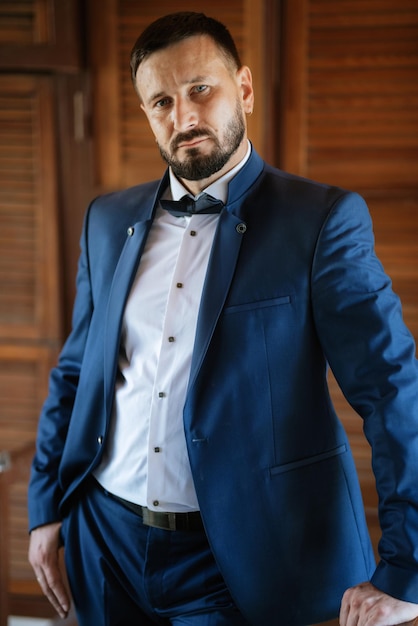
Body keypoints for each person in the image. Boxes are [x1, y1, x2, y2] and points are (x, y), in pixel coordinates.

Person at [27, 11, 418, 626]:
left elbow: (392, 390)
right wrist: (46, 507)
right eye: (161, 101)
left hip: (238, 561)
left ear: (245, 88)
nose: (183, 118)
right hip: (102, 543)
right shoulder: (106, 220)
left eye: (199, 90)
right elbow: (76, 374)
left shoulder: (321, 222)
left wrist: (409, 566)